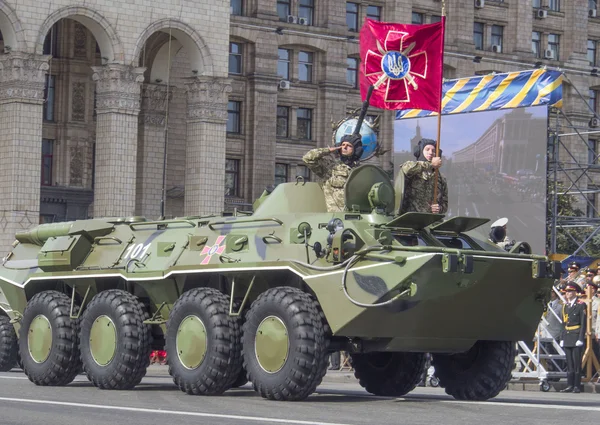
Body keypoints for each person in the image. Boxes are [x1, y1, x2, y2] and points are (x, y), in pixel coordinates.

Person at [302, 134, 363, 212]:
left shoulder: (360, 171)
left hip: (355, 215)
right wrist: (328, 150)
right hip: (334, 216)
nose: (344, 147)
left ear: (356, 150)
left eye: (349, 146)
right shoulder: (330, 166)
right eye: (343, 145)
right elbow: (308, 158)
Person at [399, 138, 448, 214]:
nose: (431, 153)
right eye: (427, 149)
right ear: (420, 151)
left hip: (432, 220)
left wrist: (439, 208)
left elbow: (445, 203)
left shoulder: (441, 178)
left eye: (433, 151)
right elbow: (406, 169)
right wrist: (431, 164)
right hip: (412, 219)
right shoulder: (412, 168)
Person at [559, 281, 586, 393]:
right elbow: (563, 323)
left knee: (576, 363)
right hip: (567, 336)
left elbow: (583, 323)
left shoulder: (580, 305)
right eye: (567, 291)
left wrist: (580, 338)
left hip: (576, 335)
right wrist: (562, 338)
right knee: (569, 362)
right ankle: (569, 385)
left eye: (570, 291)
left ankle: (576, 386)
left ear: (575, 292)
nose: (568, 293)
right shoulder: (565, 306)